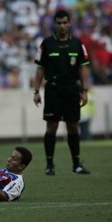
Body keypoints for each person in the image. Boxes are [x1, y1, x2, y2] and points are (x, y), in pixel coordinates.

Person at [33, 10, 91, 175]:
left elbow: (83, 68)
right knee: (52, 127)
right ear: (55, 24)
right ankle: (49, 165)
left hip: (72, 89)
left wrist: (84, 90)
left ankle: (77, 165)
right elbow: (40, 69)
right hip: (53, 89)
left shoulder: (78, 44)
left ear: (70, 23)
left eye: (65, 22)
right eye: (59, 23)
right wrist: (36, 91)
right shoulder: (47, 43)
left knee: (73, 127)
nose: (62, 26)